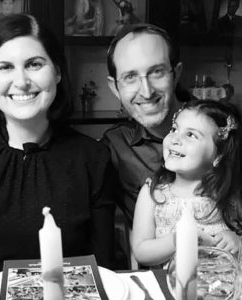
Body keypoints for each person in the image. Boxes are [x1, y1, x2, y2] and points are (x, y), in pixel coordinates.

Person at [0, 13, 115, 273]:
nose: (22, 82)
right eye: (5, 67)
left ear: (58, 72)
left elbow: (103, 271)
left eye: (34, 64)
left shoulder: (92, 158)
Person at [132, 100, 242, 266]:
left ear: (219, 155)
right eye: (174, 129)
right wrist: (177, 239)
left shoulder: (230, 191)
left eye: (191, 135)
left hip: (222, 287)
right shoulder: (153, 193)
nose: (175, 139)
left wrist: (239, 242)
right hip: (173, 286)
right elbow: (141, 252)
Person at [102, 23, 184, 228]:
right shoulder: (113, 147)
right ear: (114, 87)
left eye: (157, 71)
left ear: (176, 74)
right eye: (130, 77)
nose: (146, 92)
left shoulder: (225, 131)